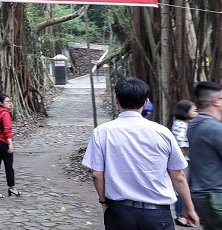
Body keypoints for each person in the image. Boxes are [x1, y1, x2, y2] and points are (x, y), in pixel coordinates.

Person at [81, 76, 198, 229]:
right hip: (157, 215)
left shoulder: (102, 132)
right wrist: (189, 209)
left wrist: (104, 203)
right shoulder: (162, 132)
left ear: (116, 99)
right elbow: (178, 177)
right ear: (146, 102)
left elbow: (97, 175)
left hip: (119, 212)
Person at [186, 81, 222, 227]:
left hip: (203, 196)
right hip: (217, 197)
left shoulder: (195, 124)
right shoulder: (214, 128)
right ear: (216, 101)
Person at [170, 100, 197, 227]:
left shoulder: (185, 124)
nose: (196, 112)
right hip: (183, 160)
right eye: (194, 110)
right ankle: (180, 215)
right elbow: (182, 145)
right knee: (182, 187)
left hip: (187, 160)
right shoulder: (180, 124)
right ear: (185, 112)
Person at [0, 93, 20, 199]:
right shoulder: (5, 113)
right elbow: (7, 130)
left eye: (10, 101)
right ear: (1, 103)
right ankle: (12, 188)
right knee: (9, 166)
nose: (9, 103)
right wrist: (10, 144)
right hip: (3, 142)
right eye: (7, 101)